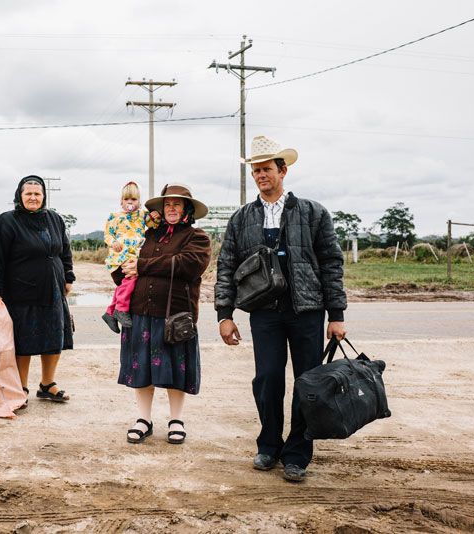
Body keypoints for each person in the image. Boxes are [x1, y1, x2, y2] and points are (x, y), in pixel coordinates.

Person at [215, 135, 347, 482]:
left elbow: (332, 263)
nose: (261, 175)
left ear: (283, 170)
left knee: (307, 383)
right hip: (265, 312)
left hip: (307, 310)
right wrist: (224, 314)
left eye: (267, 169)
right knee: (268, 379)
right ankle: (269, 446)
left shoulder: (313, 212)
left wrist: (336, 316)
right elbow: (226, 265)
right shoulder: (242, 218)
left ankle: (297, 454)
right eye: (256, 170)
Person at [117, 183, 211, 445]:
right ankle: (143, 419)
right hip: (141, 313)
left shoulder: (197, 237)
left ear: (187, 210)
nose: (171, 208)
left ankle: (176, 420)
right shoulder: (148, 235)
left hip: (175, 317)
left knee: (175, 369)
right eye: (167, 204)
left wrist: (142, 266)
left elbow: (187, 265)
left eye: (177, 204)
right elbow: (131, 265)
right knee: (141, 368)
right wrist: (121, 265)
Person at [0, 175, 75, 405]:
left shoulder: (54, 219)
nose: (33, 197)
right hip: (20, 291)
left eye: (37, 194)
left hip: (53, 288)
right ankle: (20, 388)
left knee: (55, 336)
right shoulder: (7, 221)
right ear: (20, 196)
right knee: (23, 341)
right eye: (29, 194)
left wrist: (68, 276)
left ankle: (47, 384)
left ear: (44, 196)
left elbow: (64, 250)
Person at [101, 181, 160, 333]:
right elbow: (108, 234)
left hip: (135, 255)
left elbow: (154, 225)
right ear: (121, 202)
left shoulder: (142, 216)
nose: (129, 202)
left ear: (139, 202)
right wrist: (113, 242)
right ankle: (120, 309)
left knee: (125, 285)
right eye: (126, 199)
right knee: (130, 279)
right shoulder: (114, 217)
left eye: (133, 199)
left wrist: (155, 216)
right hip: (120, 257)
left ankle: (109, 313)